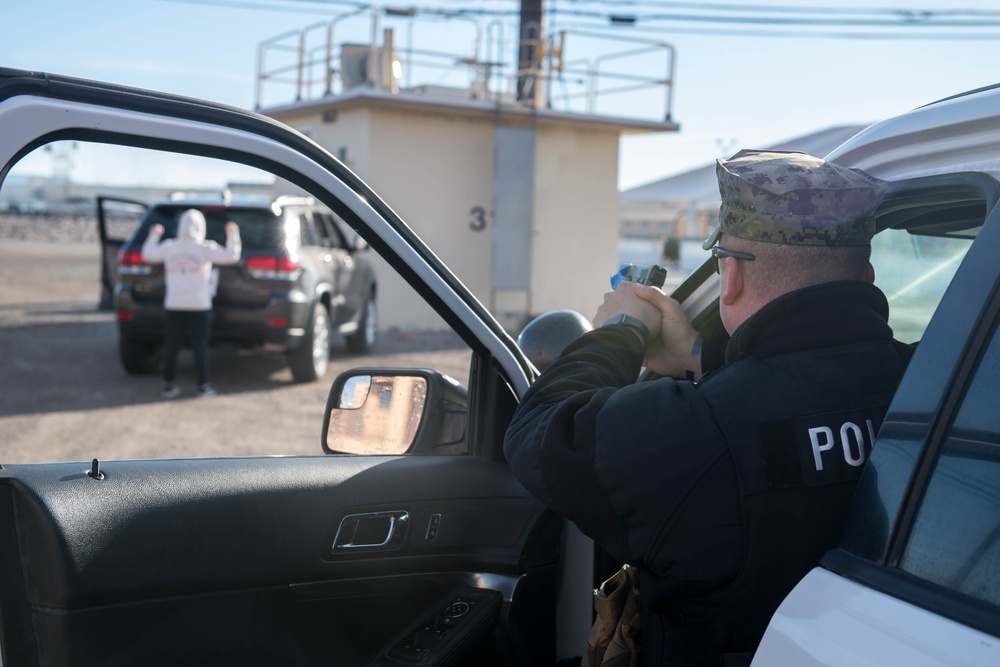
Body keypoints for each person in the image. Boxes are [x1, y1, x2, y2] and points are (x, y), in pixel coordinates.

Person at [503, 150, 914, 666]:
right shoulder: (933, 385)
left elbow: (537, 434)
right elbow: (801, 397)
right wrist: (700, 357)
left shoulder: (694, 430)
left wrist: (620, 333)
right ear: (869, 276)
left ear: (732, 276)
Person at [141, 208, 241, 398]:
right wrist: (232, 234)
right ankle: (203, 386)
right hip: (199, 306)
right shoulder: (204, 248)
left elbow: (148, 254)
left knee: (171, 346)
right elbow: (231, 256)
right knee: (200, 348)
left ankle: (168, 386)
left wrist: (154, 235)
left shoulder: (170, 246)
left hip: (174, 304)